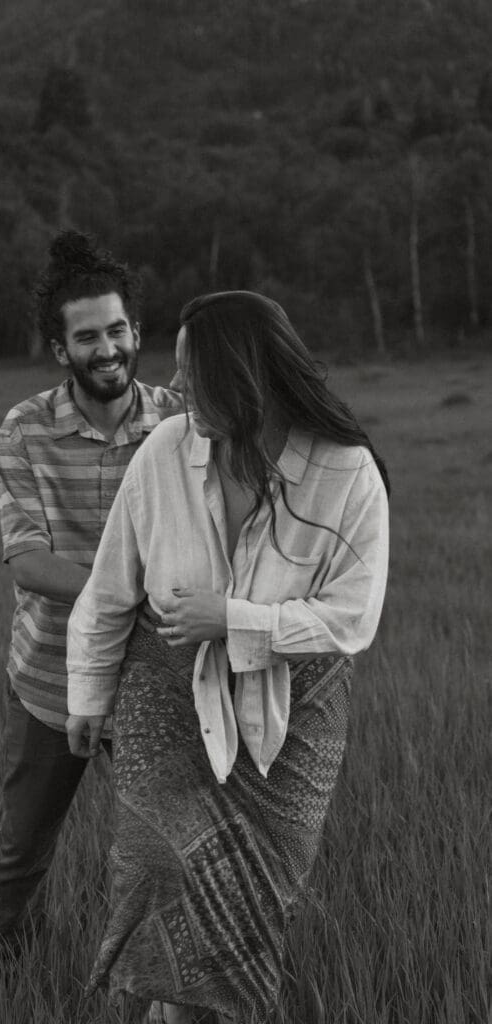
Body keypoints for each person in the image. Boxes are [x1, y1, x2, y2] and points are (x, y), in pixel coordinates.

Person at [66, 291, 390, 1023]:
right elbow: (111, 584)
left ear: (246, 375)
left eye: (192, 371)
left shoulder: (346, 472)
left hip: (293, 698)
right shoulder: (163, 450)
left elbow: (351, 618)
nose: (175, 389)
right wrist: (87, 694)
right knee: (159, 872)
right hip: (164, 682)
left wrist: (232, 620)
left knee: (253, 897)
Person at [0, 231, 183, 950]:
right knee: (22, 850)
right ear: (60, 349)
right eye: (88, 336)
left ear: (136, 332)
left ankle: (161, 977)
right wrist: (138, 593)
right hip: (50, 680)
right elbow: (30, 561)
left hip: (155, 683)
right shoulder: (24, 431)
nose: (107, 349)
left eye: (117, 330)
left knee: (170, 846)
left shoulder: (181, 422)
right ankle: (4, 972)